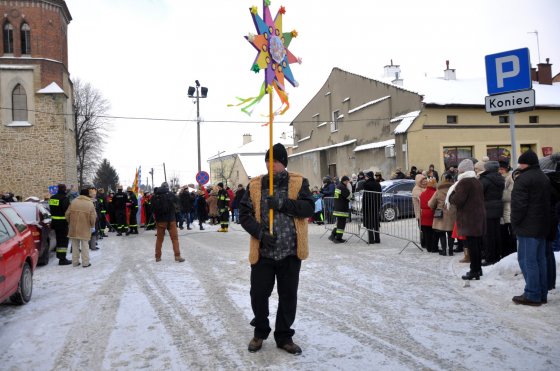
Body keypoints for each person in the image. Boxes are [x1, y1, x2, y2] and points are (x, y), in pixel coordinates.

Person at [239, 143, 314, 355]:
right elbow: (244, 215)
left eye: (276, 161)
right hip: (264, 252)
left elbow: (308, 207)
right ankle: (260, 331)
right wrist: (260, 234)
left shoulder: (299, 182)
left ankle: (284, 336)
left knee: (288, 295)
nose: (271, 165)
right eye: (268, 161)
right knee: (258, 294)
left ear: (284, 163)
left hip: (290, 251)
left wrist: (281, 203)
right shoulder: (255, 185)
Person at [511, 150, 551, 306]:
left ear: (525, 163)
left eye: (521, 162)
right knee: (540, 260)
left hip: (527, 226)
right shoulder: (543, 177)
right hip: (541, 226)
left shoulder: (523, 179)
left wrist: (515, 223)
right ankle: (541, 293)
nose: (519, 165)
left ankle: (532, 294)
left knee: (528, 261)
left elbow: (519, 206)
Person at [448, 159, 486, 280]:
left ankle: (474, 270)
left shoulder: (464, 182)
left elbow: (458, 200)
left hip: (469, 218)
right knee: (477, 245)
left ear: (463, 170)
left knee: (473, 245)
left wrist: (451, 196)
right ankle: (478, 269)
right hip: (477, 217)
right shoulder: (476, 181)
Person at [151, 182, 185, 263]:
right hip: (171, 220)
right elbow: (178, 204)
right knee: (174, 239)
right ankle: (177, 256)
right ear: (167, 187)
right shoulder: (171, 194)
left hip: (160, 221)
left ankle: (158, 257)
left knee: (159, 239)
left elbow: (152, 209)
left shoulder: (155, 196)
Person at [479, 161, 505, 266]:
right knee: (496, 233)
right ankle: (497, 255)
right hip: (498, 208)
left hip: (487, 209)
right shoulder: (500, 178)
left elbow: (480, 193)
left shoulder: (485, 180)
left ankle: (490, 258)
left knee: (488, 235)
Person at [65, 187, 97, 268]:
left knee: (75, 245)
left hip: (74, 227)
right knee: (85, 245)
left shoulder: (73, 201)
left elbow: (67, 214)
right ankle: (85, 263)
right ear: (87, 195)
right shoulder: (90, 203)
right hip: (85, 227)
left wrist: (70, 222)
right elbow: (93, 217)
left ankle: (75, 262)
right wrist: (92, 225)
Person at [429, 174, 456, 256]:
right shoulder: (454, 190)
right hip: (452, 214)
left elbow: (431, 204)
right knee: (451, 233)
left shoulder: (438, 191)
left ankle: (444, 251)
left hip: (441, 215)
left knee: (441, 233)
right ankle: (451, 251)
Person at [49, 183, 72, 265]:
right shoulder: (64, 198)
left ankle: (60, 256)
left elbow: (51, 209)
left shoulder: (52, 198)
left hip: (55, 223)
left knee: (59, 240)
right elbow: (67, 211)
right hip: (63, 223)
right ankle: (62, 259)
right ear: (64, 189)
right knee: (63, 241)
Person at [329, 175, 352, 243]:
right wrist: (350, 189)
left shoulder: (338, 186)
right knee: (341, 224)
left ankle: (333, 235)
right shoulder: (342, 187)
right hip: (342, 208)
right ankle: (338, 238)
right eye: (347, 181)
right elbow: (349, 196)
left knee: (339, 223)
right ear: (345, 181)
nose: (348, 183)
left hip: (337, 207)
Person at [362, 171, 381, 244]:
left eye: (366, 176)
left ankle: (371, 240)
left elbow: (366, 196)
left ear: (368, 177)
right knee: (376, 223)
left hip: (369, 206)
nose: (365, 178)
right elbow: (380, 195)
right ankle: (377, 239)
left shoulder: (366, 184)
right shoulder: (377, 184)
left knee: (369, 223)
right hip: (376, 206)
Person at [420, 178, 438, 252]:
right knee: (433, 233)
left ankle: (428, 247)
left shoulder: (422, 193)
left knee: (426, 233)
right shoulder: (435, 193)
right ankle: (433, 248)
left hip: (424, 214)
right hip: (432, 214)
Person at [412, 174, 427, 248]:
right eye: (422, 181)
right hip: (420, 213)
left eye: (425, 180)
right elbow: (422, 198)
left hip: (425, 213)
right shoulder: (416, 189)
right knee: (423, 229)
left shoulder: (425, 188)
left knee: (426, 229)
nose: (425, 182)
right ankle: (423, 243)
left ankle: (427, 242)